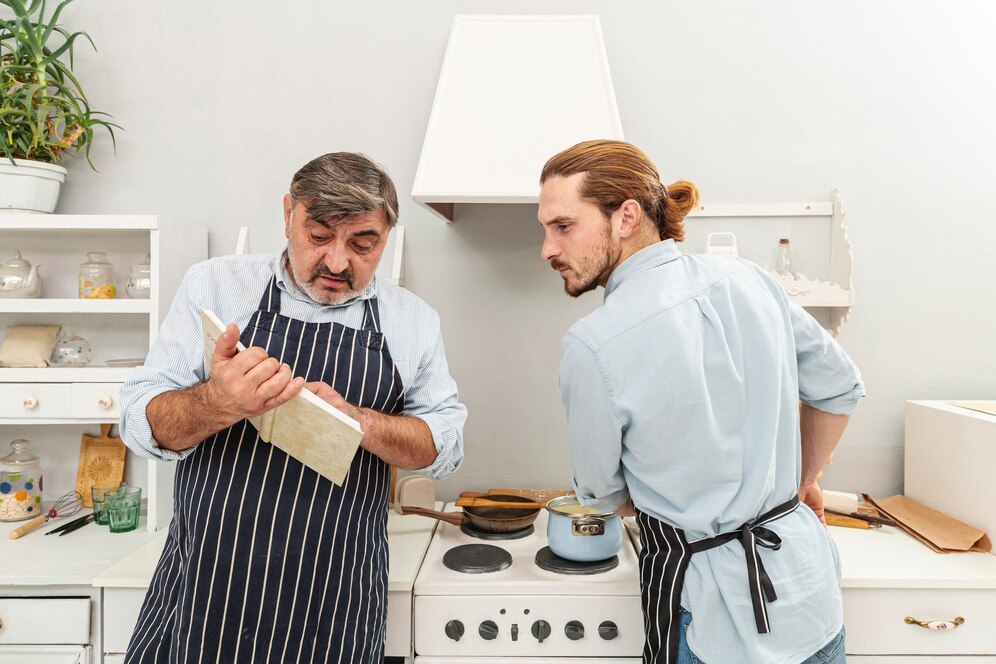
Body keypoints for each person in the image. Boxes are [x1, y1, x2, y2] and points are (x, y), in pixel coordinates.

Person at [119, 152, 467, 663]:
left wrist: (360, 422)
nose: (337, 263)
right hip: (208, 590)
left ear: (386, 235)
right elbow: (138, 421)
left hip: (336, 601)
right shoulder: (213, 285)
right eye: (319, 236)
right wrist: (218, 401)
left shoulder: (412, 321)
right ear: (288, 214)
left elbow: (446, 447)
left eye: (362, 244)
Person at [537, 139, 863, 664]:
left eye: (563, 226)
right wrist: (801, 483)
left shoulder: (593, 343)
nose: (548, 249)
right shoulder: (752, 280)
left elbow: (601, 496)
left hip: (713, 619)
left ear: (625, 216)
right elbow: (840, 388)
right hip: (809, 595)